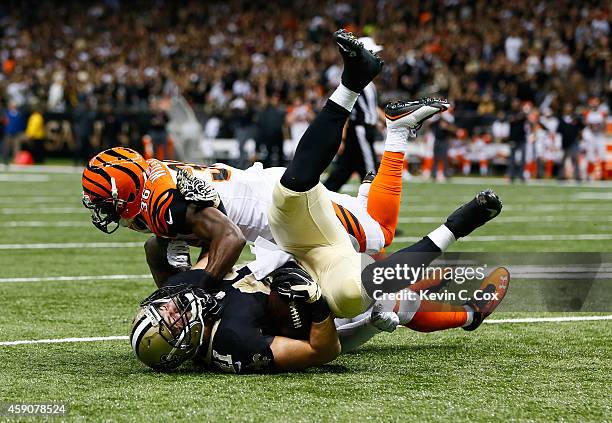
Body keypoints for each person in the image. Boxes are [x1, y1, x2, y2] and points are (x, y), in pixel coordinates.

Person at [324, 36, 382, 192]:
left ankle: (324, 195)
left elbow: (371, 107)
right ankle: (373, 199)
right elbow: (347, 109)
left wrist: (385, 120)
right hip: (359, 129)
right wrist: (341, 137)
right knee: (370, 170)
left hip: (364, 129)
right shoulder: (356, 79)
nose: (377, 58)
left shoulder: (368, 82)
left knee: (344, 169)